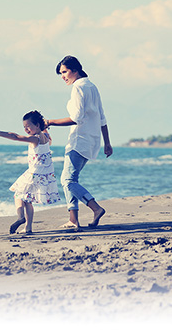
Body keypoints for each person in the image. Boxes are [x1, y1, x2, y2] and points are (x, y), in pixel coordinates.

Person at [45, 56, 113, 230]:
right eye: (61, 73)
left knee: (67, 181)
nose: (63, 77)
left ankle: (95, 208)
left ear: (75, 70)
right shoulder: (92, 86)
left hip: (79, 140)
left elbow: (76, 118)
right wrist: (107, 143)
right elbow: (102, 117)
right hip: (92, 140)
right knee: (71, 179)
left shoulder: (78, 88)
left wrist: (50, 122)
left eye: (65, 72)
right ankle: (73, 220)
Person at [0, 110, 60, 234]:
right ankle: (28, 227)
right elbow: (47, 138)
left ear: (37, 125)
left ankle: (20, 217)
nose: (26, 129)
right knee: (27, 200)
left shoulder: (34, 139)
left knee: (18, 194)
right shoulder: (46, 137)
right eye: (24, 127)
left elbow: (16, 137)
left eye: (28, 126)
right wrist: (44, 126)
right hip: (45, 174)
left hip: (34, 173)